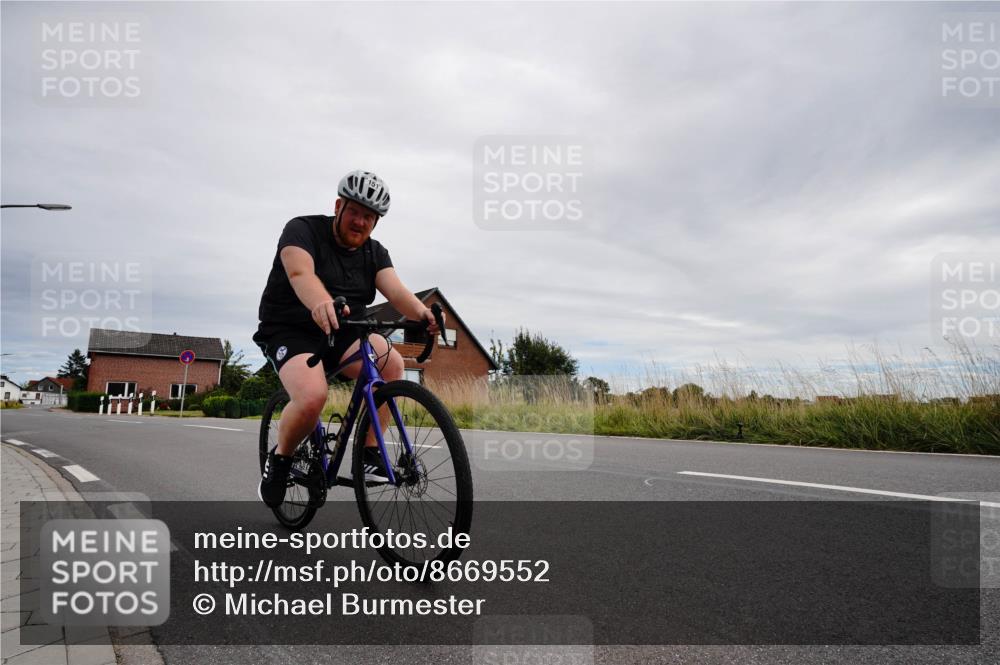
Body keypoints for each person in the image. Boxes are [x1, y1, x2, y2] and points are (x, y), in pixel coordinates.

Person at [252, 170, 442, 507]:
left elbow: (397, 291)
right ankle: (280, 459)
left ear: (376, 222)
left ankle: (369, 452)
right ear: (338, 206)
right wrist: (320, 302)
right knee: (312, 397)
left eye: (369, 217)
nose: (360, 222)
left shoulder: (375, 253)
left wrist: (421, 313)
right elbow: (299, 272)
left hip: (344, 330)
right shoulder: (302, 230)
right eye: (354, 211)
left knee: (391, 363)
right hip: (290, 329)